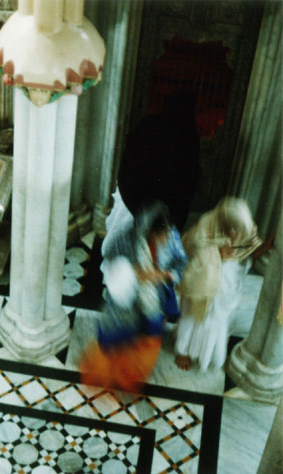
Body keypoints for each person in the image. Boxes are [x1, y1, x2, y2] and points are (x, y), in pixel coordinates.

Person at [81, 202, 188, 392]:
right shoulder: (126, 240)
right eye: (160, 236)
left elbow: (180, 263)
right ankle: (105, 376)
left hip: (153, 298)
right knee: (114, 337)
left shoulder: (171, 237)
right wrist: (133, 273)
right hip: (126, 301)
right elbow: (112, 258)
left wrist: (164, 275)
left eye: (167, 234)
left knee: (149, 335)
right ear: (148, 232)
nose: (165, 240)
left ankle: (129, 377)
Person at [101, 89, 200, 267]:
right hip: (157, 206)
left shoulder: (152, 125)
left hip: (141, 202)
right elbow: (190, 176)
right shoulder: (187, 134)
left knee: (138, 243)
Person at [174, 197, 266, 371]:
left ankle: (204, 352)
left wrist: (265, 247)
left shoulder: (242, 225)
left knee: (215, 319)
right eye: (233, 230)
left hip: (223, 284)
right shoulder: (205, 227)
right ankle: (182, 351)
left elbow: (251, 244)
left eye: (239, 230)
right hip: (200, 283)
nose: (235, 235)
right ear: (224, 224)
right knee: (191, 317)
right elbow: (194, 252)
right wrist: (218, 254)